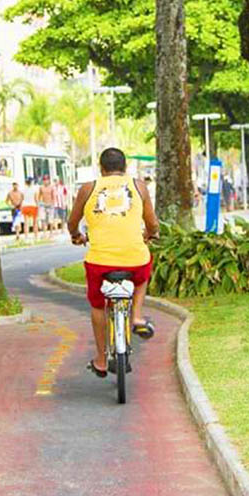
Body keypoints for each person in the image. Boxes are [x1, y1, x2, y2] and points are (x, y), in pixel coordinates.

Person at [68, 147, 159, 378]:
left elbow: (72, 222)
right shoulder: (139, 186)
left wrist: (77, 236)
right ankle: (137, 317)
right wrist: (149, 235)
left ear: (101, 168)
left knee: (98, 306)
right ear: (125, 167)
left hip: (99, 261)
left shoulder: (88, 189)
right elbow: (153, 224)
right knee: (143, 274)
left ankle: (100, 359)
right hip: (134, 258)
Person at [37, 174, 55, 239]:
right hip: (43, 204)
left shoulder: (51, 187)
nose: (45, 181)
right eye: (44, 180)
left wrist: (53, 203)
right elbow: (39, 196)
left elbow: (53, 196)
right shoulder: (41, 188)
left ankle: (51, 233)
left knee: (51, 220)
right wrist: (39, 203)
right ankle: (44, 233)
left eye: (47, 180)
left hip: (50, 204)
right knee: (43, 219)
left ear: (49, 180)